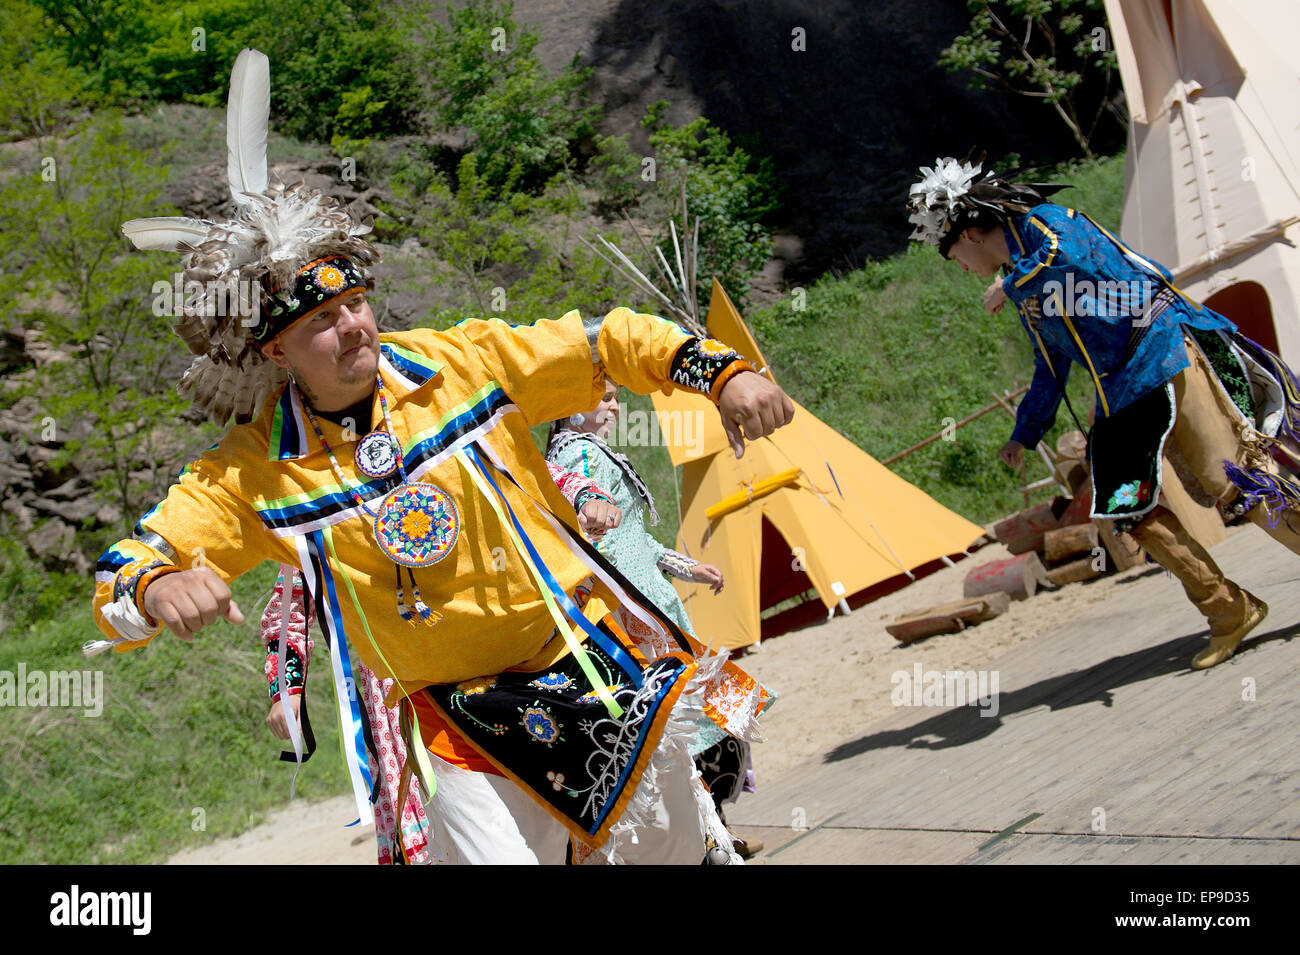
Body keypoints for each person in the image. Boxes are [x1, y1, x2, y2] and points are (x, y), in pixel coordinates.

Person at [89, 49, 794, 864]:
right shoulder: (256, 470)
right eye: (324, 320)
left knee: (670, 849)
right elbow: (126, 569)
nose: (354, 324)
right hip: (462, 718)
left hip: (584, 659)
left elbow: (605, 340)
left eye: (357, 302)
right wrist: (157, 582)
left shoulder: (463, 365)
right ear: (276, 351)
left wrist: (719, 372)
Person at [908, 156, 1300, 669]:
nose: (957, 265)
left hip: (1166, 346)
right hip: (1122, 388)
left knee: (1234, 479)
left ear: (970, 233)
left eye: (952, 252)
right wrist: (1024, 434)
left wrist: (1011, 282)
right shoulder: (1023, 290)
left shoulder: (1049, 223)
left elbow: (1065, 254)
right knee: (1125, 506)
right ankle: (1229, 610)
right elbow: (1050, 366)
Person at [259, 464, 623, 865]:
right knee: (449, 823)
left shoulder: (441, 443)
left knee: (545, 811)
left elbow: (520, 462)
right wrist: (286, 689)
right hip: (408, 689)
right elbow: (290, 608)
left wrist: (586, 496)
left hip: (508, 661)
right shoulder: (324, 497)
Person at [545, 380, 767, 855]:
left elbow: (636, 540)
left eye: (615, 396)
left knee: (700, 718)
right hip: (630, 615)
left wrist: (687, 566)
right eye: (600, 396)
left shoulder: (596, 454)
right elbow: (587, 544)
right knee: (690, 720)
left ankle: (711, 830)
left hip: (650, 602)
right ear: (566, 407)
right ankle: (704, 836)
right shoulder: (574, 458)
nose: (612, 404)